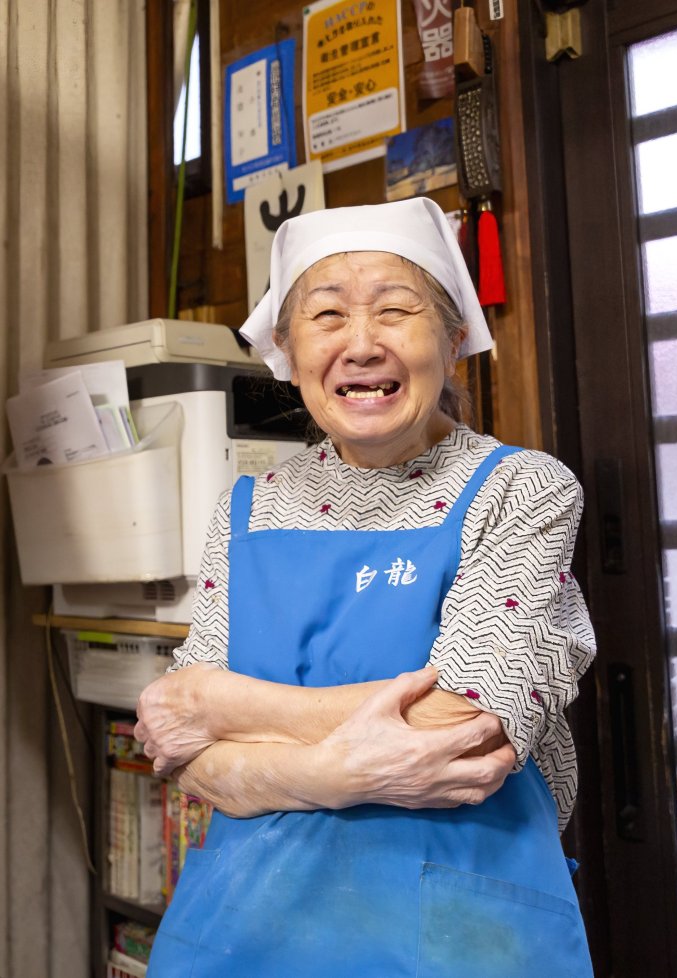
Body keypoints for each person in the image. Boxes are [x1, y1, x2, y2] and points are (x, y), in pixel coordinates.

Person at [136, 197, 596, 977]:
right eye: (326, 316)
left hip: (457, 926)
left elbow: (470, 726)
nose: (360, 345)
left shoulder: (520, 489)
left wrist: (224, 706)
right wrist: (338, 772)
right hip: (249, 924)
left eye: (395, 310)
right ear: (286, 349)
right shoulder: (248, 509)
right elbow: (186, 755)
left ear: (452, 340)